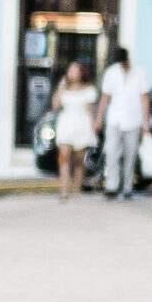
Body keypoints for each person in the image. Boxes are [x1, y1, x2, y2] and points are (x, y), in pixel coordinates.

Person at [96, 45, 151, 200]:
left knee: (130, 155)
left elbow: (145, 98)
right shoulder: (111, 73)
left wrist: (146, 122)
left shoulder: (140, 73)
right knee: (112, 153)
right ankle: (111, 186)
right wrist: (99, 118)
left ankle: (127, 187)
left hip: (134, 120)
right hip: (115, 119)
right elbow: (105, 97)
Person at [50, 60, 97, 199]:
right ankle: (64, 190)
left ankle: (77, 189)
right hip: (66, 124)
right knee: (64, 157)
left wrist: (94, 126)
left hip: (82, 124)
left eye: (76, 70)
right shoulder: (64, 89)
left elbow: (90, 110)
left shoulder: (88, 90)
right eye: (71, 70)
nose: (73, 73)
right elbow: (55, 106)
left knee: (78, 160)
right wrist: (60, 88)